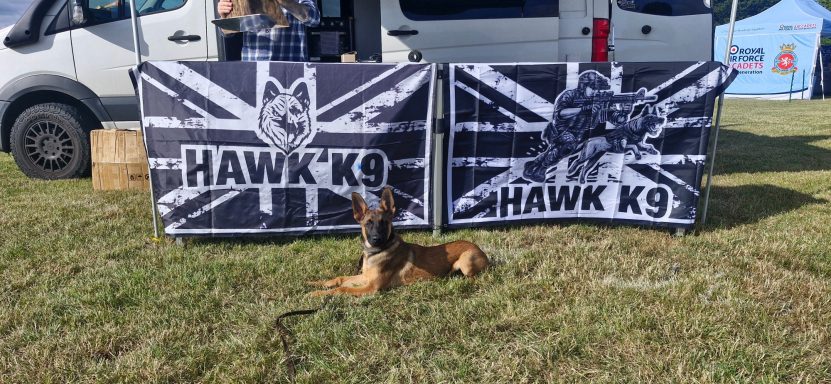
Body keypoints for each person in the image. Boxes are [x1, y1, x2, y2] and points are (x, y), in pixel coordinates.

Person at [523, 71, 629, 182]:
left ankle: (533, 165)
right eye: (593, 88)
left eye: (598, 88)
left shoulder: (602, 100)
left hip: (580, 134)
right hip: (561, 130)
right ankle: (541, 169)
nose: (596, 91)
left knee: (557, 152)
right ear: (583, 86)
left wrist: (624, 112)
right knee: (565, 147)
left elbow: (617, 119)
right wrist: (584, 109)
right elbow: (560, 113)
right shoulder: (570, 95)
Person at [218, 0, 320, 62]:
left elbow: (314, 19)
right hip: (253, 68)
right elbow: (226, 33)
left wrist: (285, 2)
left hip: (290, 67)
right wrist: (225, 16)